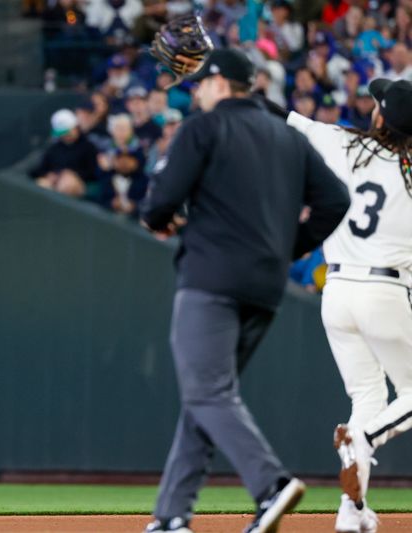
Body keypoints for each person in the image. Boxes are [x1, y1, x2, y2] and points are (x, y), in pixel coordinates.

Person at [140, 49, 350, 533]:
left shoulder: (204, 127)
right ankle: (171, 516)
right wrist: (287, 248)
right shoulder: (287, 136)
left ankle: (271, 485)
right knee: (208, 397)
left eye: (201, 84)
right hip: (265, 287)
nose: (197, 93)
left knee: (207, 391)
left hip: (211, 281)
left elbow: (160, 203)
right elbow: (335, 199)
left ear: (218, 83)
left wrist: (160, 219)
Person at [286, 78, 412, 533]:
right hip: (385, 293)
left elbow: (282, 117)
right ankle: (365, 436)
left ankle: (351, 512)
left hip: (336, 293)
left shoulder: (342, 142)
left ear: (381, 116)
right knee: (402, 398)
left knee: (368, 396)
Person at [30, 109, 98, 198]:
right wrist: (50, 175)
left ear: (75, 127)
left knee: (67, 182)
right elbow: (40, 170)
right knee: (42, 184)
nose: (65, 135)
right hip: (54, 183)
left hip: (79, 184)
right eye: (62, 133)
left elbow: (92, 172)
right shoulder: (53, 149)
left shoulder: (88, 147)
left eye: (67, 131)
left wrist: (73, 174)